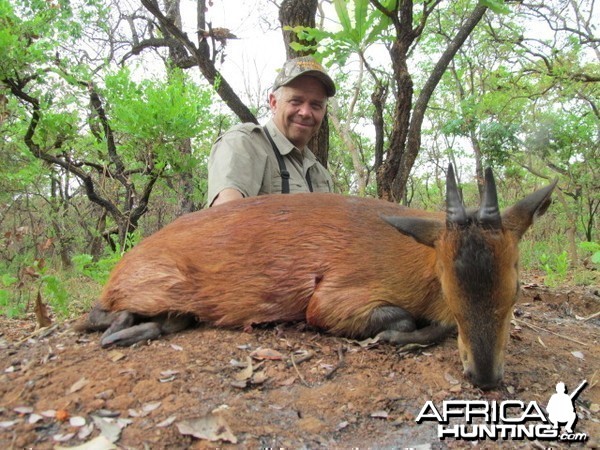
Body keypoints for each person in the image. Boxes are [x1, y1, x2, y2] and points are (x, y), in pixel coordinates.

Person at [208, 55, 336, 207]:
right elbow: (225, 219)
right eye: (296, 101)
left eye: (316, 105)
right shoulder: (245, 143)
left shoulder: (321, 174)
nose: (306, 112)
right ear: (274, 103)